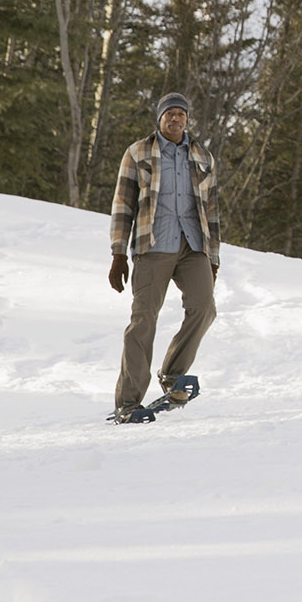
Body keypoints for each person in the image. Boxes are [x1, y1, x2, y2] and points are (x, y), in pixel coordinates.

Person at [105, 92, 219, 423]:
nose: (176, 119)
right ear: (159, 119)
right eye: (170, 114)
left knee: (204, 307)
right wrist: (118, 254)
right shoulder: (138, 152)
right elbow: (122, 204)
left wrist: (213, 255)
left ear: (187, 119)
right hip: (152, 245)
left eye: (181, 115)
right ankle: (128, 401)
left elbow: (212, 210)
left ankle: (173, 375)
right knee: (144, 320)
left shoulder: (202, 156)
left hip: (192, 245)